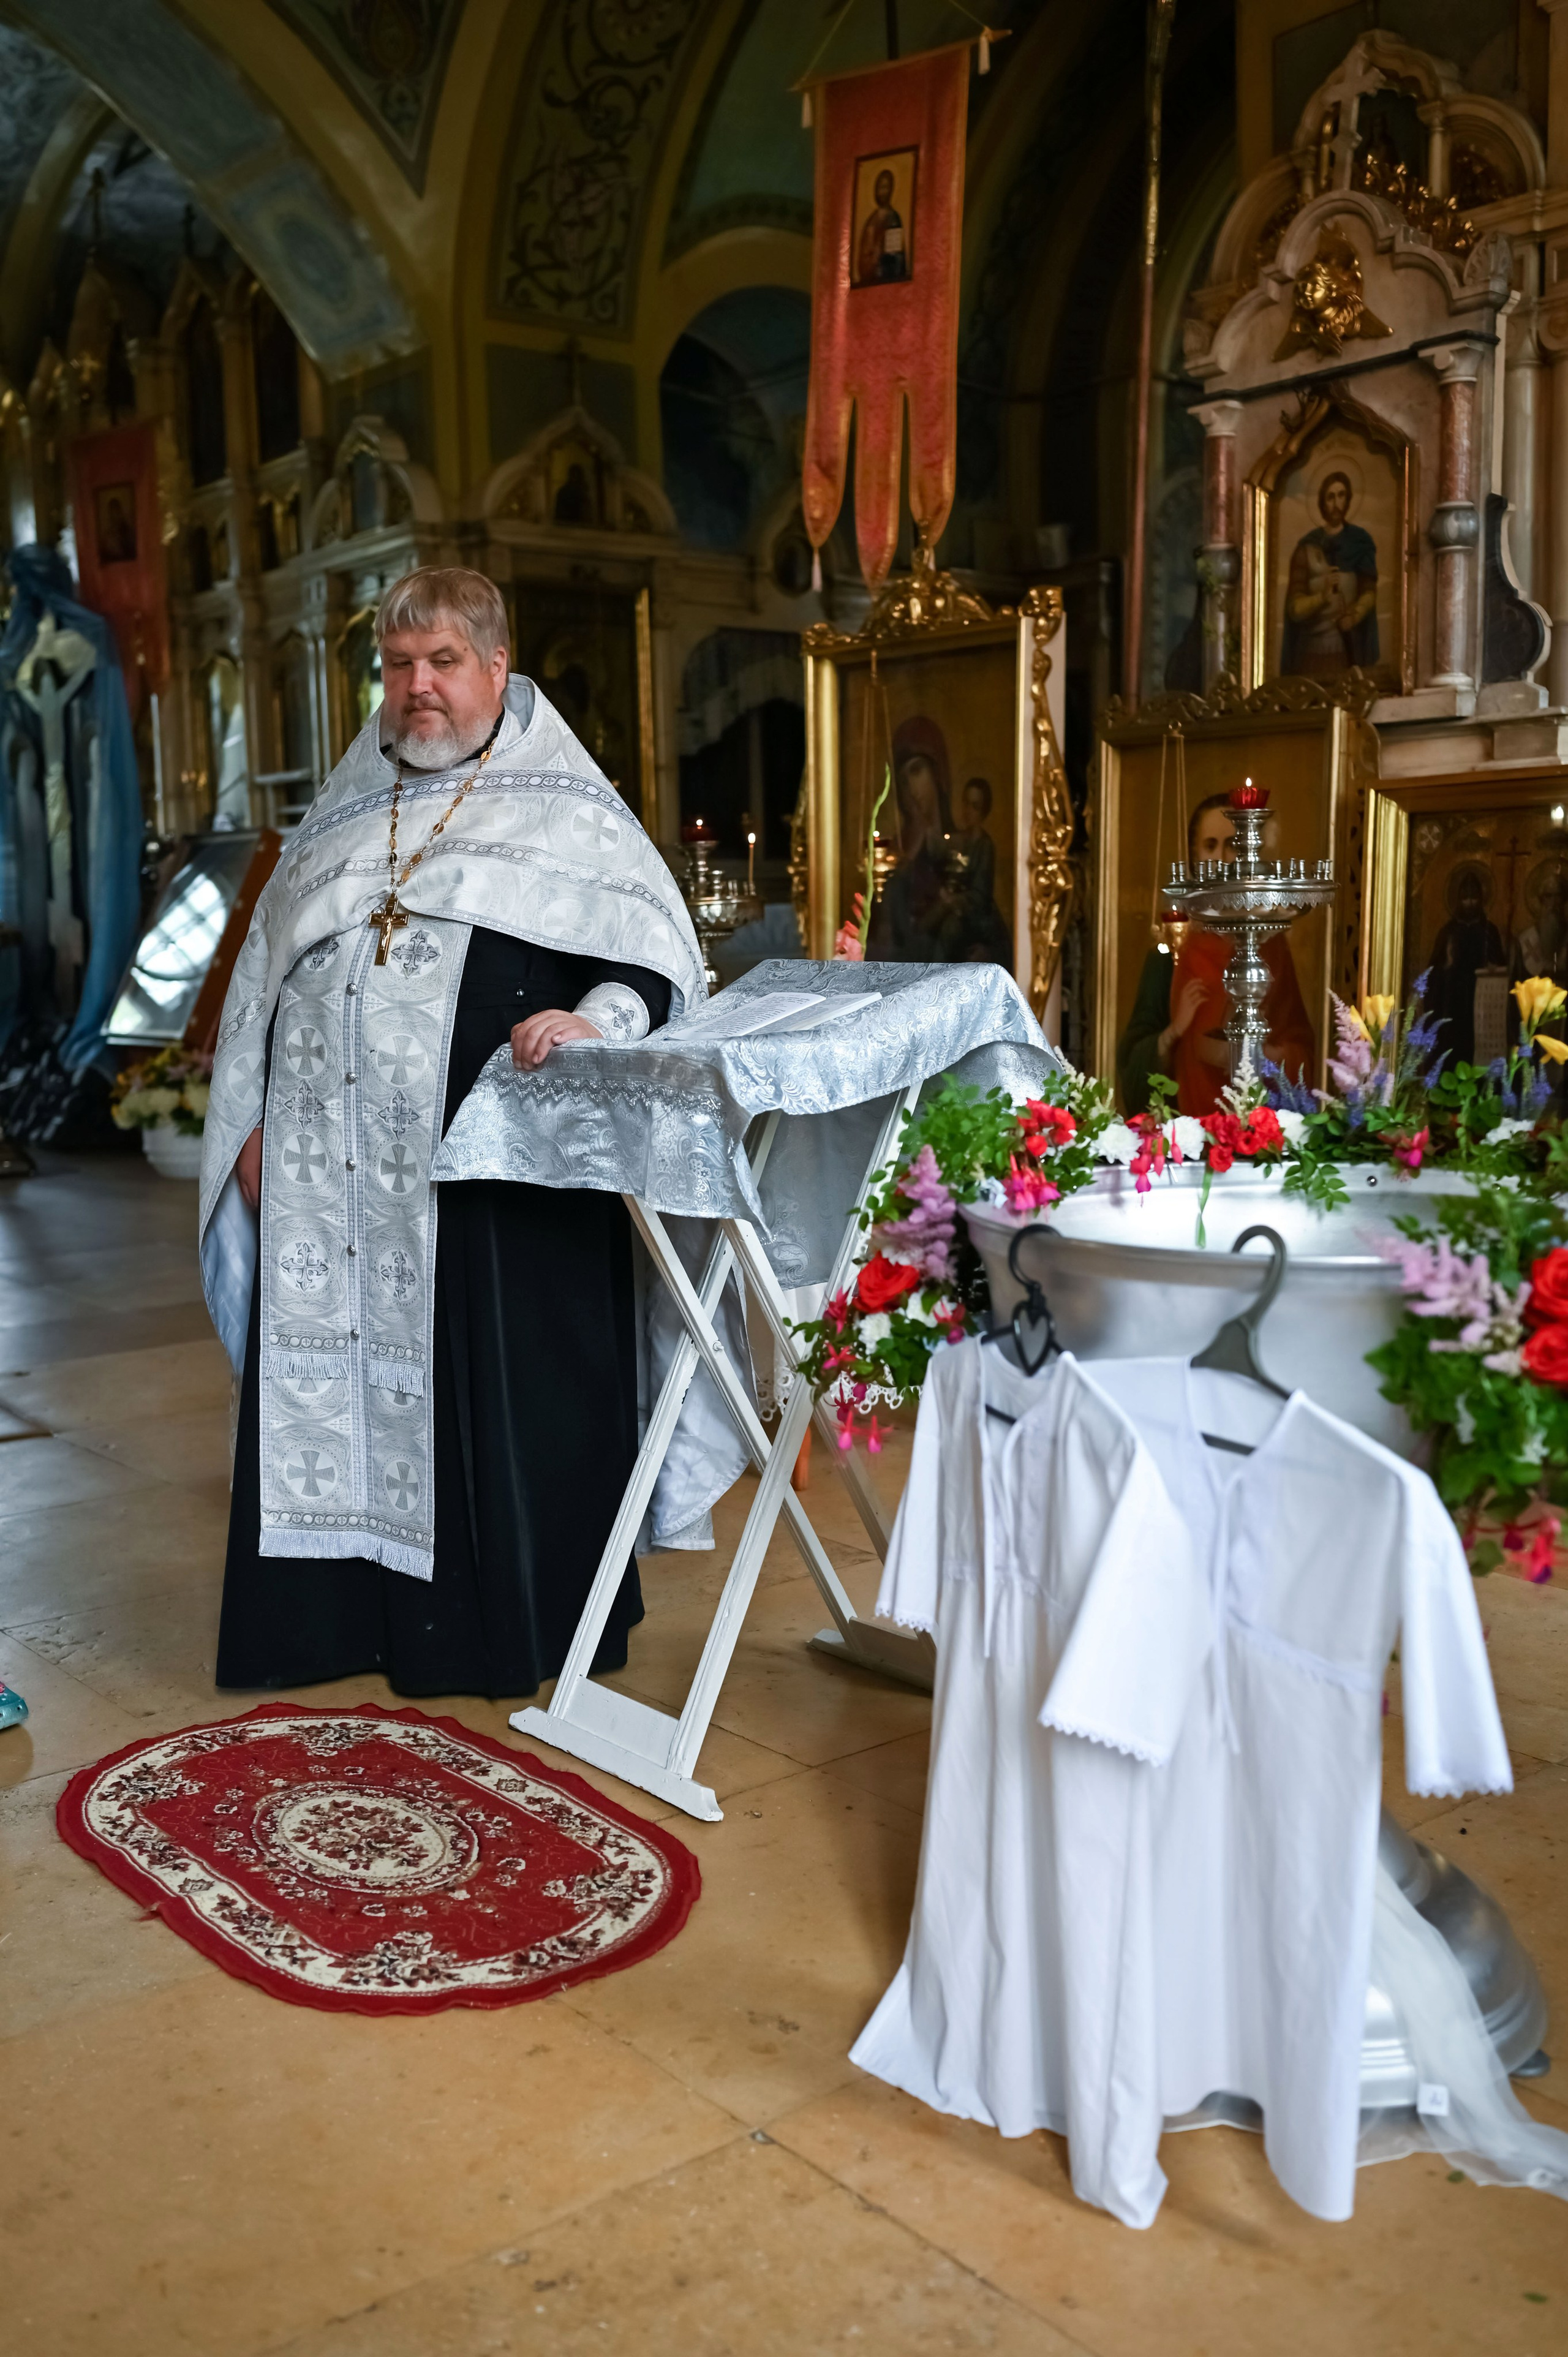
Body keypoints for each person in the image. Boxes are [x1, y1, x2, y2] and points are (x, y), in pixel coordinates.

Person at [200, 567, 707, 1699]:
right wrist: (251, 1126)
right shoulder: (345, 808)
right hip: (329, 1184)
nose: (417, 688)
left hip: (495, 1184)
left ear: (496, 666)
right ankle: (333, 1622)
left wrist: (595, 1018)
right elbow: (261, 992)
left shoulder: (566, 804)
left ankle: (497, 1631)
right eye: (397, 666)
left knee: (490, 1404)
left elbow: (652, 953)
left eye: (441, 663)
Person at [1116, 791, 1315, 1115]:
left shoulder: (1271, 944)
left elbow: (1302, 1047)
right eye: (1210, 845)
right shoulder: (1172, 950)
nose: (1223, 858)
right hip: (1188, 1132)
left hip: (1261, 1127)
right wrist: (1173, 1034)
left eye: (1233, 846)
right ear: (1195, 855)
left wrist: (1269, 1056)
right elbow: (1133, 1067)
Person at [1281, 470, 1378, 677]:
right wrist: (1321, 598)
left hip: (1347, 645)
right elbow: (1294, 608)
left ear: (1349, 499)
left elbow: (1369, 591)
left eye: (1342, 495)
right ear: (1322, 503)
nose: (1336, 503)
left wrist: (1354, 616)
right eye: (1331, 497)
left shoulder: (1359, 542)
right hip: (1312, 649)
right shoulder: (1306, 547)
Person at [1429, 866, 1506, 1069]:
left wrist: (1494, 969)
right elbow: (1433, 973)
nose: (1470, 903)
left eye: (1474, 898)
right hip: (1452, 1003)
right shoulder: (1449, 932)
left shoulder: (1490, 931)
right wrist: (1445, 968)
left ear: (1481, 899)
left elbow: (1501, 967)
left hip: (1481, 1005)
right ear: (1458, 900)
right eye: (1465, 898)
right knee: (1451, 1055)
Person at [856, 168, 908, 284]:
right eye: (879, 188)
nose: (882, 192)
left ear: (891, 190)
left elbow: (895, 254)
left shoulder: (893, 218)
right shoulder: (872, 219)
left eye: (885, 188)